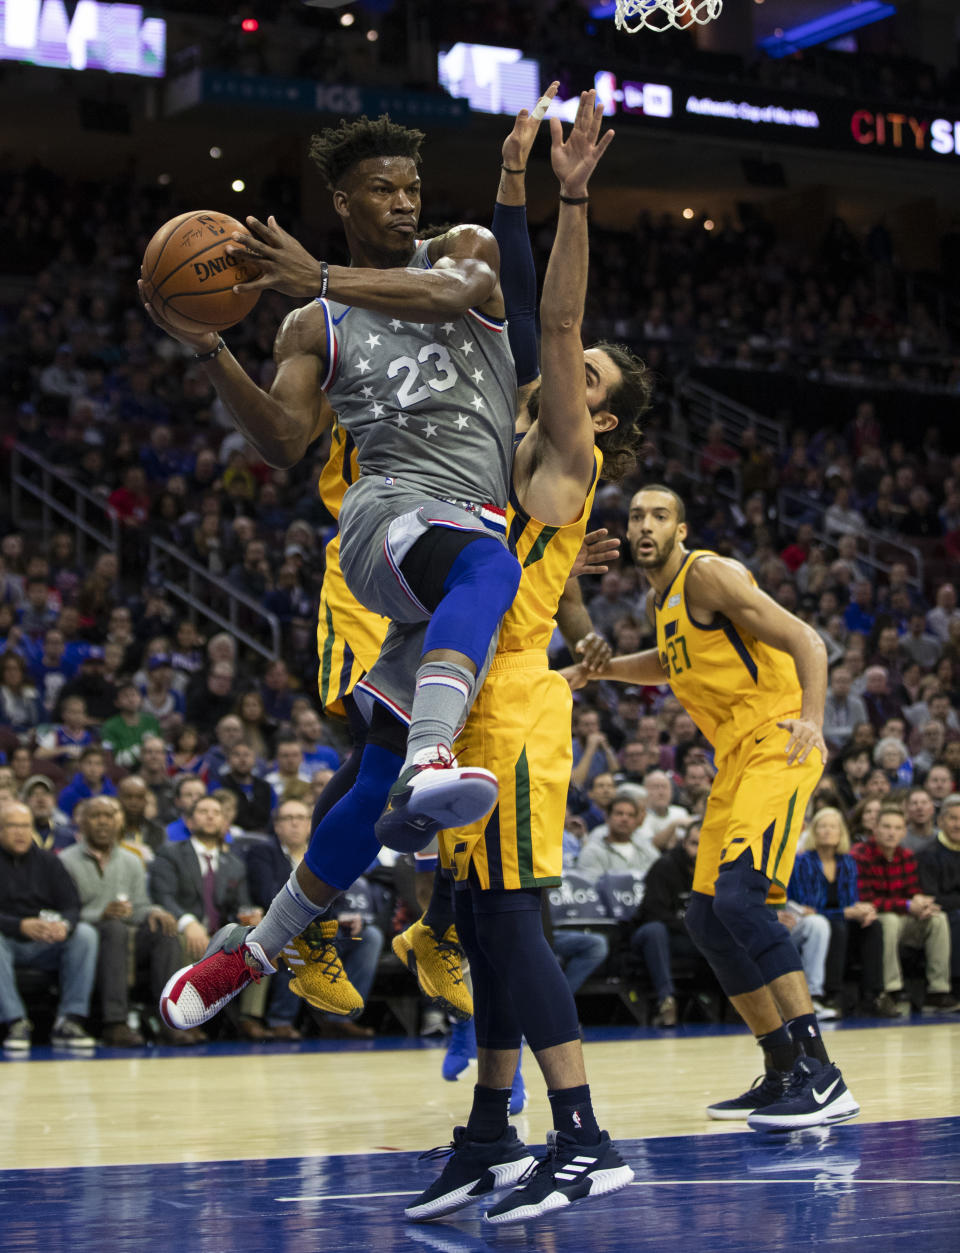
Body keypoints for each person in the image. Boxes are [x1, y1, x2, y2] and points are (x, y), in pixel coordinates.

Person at [140, 106, 527, 859]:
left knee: (377, 752)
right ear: (344, 204)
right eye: (383, 190)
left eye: (411, 187)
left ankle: (270, 941)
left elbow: (452, 295)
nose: (406, 202)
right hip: (389, 515)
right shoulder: (311, 324)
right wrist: (210, 348)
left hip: (469, 517)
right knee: (486, 570)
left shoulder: (459, 250)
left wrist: (314, 274)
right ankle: (431, 758)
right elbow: (285, 439)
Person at [571, 484, 859, 1130]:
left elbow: (807, 639)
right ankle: (782, 1064)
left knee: (740, 899)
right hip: (735, 758)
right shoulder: (661, 597)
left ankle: (822, 1073)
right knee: (704, 916)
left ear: (681, 528)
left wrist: (812, 718)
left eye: (659, 515)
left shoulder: (709, 574)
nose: (645, 525)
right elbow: (671, 665)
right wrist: (600, 671)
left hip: (779, 738)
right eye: (637, 515)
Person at [59, 797, 187, 1047]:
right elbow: (64, 914)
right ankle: (115, 1022)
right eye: (96, 816)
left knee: (165, 931)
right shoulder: (65, 861)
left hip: (125, 935)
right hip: (86, 939)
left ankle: (168, 1020)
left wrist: (154, 912)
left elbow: (138, 906)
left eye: (109, 816)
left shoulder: (131, 860)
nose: (103, 822)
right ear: (82, 822)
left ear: (118, 822)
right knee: (114, 928)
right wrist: (100, 915)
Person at [0, 802, 98, 1052]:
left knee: (85, 935)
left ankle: (70, 1020)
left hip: (45, 942)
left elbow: (72, 905)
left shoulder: (49, 862)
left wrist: (64, 925)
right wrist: (19, 926)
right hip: (7, 941)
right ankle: (15, 1021)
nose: (20, 832)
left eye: (25, 826)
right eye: (12, 826)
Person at [789, 808, 896, 1018]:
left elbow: (850, 900)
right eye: (823, 826)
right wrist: (845, 912)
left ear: (841, 833)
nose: (828, 831)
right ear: (814, 832)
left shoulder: (847, 862)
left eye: (833, 827)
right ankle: (832, 994)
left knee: (872, 925)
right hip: (812, 921)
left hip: (840, 918)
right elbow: (809, 907)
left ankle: (873, 995)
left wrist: (861, 910)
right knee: (835, 925)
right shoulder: (803, 862)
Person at [852, 805, 959, 1013]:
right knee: (889, 920)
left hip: (903, 918)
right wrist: (909, 905)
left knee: (938, 918)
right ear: (875, 828)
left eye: (897, 828)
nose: (892, 832)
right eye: (886, 827)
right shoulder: (860, 855)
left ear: (904, 832)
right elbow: (867, 900)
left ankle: (938, 992)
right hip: (871, 921)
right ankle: (891, 990)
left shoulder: (906, 856)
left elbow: (913, 891)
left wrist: (922, 904)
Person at [630, 819, 708, 1028]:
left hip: (690, 938)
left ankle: (740, 1001)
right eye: (694, 843)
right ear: (684, 844)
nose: (699, 850)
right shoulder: (665, 866)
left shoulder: (716, 871)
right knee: (655, 931)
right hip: (653, 936)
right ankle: (667, 1001)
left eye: (705, 844)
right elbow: (653, 912)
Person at [917, 794, 960, 992]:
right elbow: (931, 897)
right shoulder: (929, 854)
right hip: (944, 913)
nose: (958, 825)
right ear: (941, 821)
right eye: (953, 819)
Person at [116, 775, 167, 864]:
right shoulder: (109, 830)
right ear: (119, 798)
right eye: (128, 797)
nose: (134, 803)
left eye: (139, 797)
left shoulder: (158, 831)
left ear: (145, 801)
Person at [57, 745, 117, 819]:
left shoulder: (113, 793)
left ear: (104, 768)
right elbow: (62, 822)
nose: (93, 769)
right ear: (80, 765)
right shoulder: (67, 794)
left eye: (98, 764)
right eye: (88, 763)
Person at [21, 775, 74, 851]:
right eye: (34, 794)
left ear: (54, 801)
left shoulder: (67, 835)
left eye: (45, 793)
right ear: (25, 802)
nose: (41, 799)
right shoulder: (19, 836)